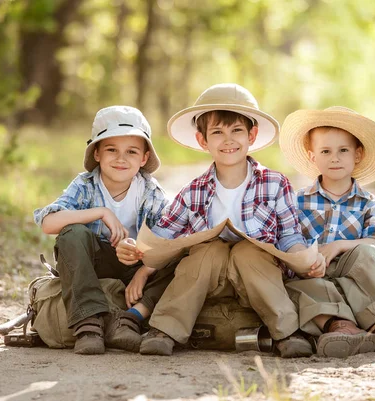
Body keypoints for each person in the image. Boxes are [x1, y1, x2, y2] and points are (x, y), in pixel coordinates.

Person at [117, 83, 325, 357]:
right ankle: (165, 329)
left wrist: (304, 257)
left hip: (256, 275)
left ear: (251, 134)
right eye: (217, 132)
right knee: (208, 249)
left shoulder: (275, 183)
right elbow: (163, 236)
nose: (228, 140)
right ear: (203, 141)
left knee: (248, 250)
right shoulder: (193, 191)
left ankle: (287, 331)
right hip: (209, 279)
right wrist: (140, 256)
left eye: (237, 130)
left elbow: (289, 236)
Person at [33, 106, 174, 355]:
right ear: (97, 153)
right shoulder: (86, 185)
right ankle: (89, 325)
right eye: (111, 150)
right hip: (96, 264)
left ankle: (130, 318)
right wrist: (101, 212)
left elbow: (170, 238)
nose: (121, 159)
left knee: (181, 257)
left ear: (143, 158)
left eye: (131, 152)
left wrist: (143, 269)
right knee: (72, 233)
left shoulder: (151, 192)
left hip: (136, 267)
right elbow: (48, 223)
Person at [278, 106, 375, 358]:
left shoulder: (369, 203)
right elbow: (287, 239)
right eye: (325, 151)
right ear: (312, 156)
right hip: (315, 275)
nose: (334, 158)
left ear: (357, 155)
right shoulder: (297, 202)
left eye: (343, 150)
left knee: (367, 251)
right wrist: (305, 261)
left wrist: (339, 245)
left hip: (356, 276)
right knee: (301, 286)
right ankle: (342, 327)